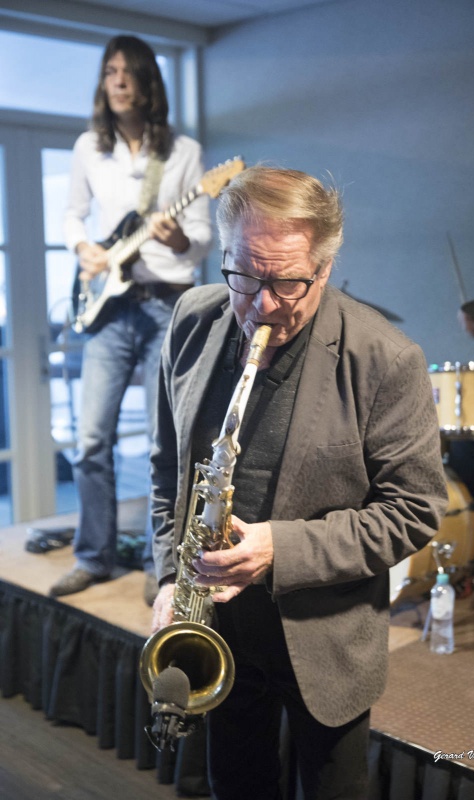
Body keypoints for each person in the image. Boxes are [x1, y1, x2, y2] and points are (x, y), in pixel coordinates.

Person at [149, 166, 448, 800]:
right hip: (215, 632)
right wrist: (171, 581)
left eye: (286, 281)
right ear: (224, 254)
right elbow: (166, 469)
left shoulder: (386, 359)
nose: (261, 305)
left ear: (325, 266)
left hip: (325, 642)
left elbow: (415, 511)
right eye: (244, 276)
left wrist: (279, 549)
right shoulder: (193, 320)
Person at [49, 35, 212, 605]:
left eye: (128, 72)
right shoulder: (87, 148)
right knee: (92, 438)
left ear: (148, 83)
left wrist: (179, 235)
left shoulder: (184, 152)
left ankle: (158, 564)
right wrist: (82, 251)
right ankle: (92, 556)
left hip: (167, 302)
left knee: (163, 443)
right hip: (109, 306)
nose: (116, 81)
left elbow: (204, 238)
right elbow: (72, 215)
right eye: (109, 71)